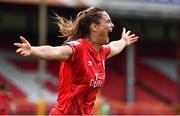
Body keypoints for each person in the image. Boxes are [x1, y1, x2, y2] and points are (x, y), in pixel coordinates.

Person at [14, 7, 138, 115]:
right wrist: (33, 50)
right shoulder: (78, 48)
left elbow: (115, 46)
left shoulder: (103, 52)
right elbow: (55, 51)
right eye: (108, 21)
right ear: (95, 27)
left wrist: (124, 41)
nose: (112, 25)